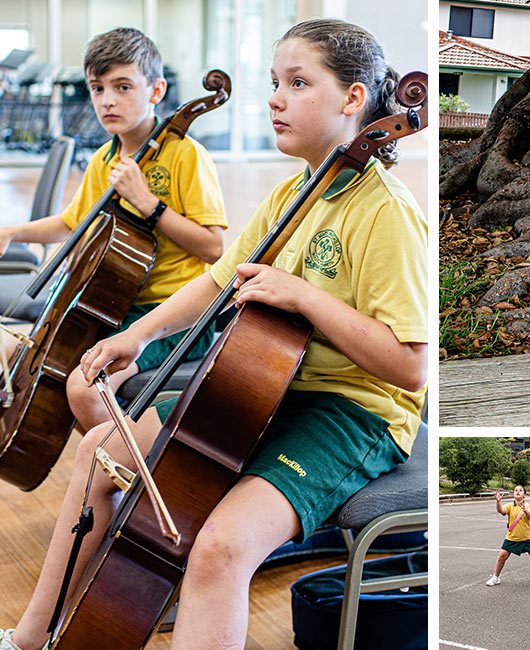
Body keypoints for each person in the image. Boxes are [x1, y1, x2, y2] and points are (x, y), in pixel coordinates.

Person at [0, 19, 430, 650]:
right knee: (101, 453)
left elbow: (411, 368)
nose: (275, 99)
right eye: (274, 83)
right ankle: (32, 637)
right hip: (266, 387)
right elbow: (218, 281)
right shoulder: (295, 192)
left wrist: (305, 298)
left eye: (298, 83)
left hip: (352, 413)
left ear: (354, 99)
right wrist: (136, 338)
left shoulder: (386, 211)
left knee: (219, 550)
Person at [0, 27, 226, 432]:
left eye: (123, 87)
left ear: (156, 91)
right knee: (14, 350)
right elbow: (72, 223)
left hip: (174, 316)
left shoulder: (185, 155)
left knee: (87, 387)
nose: (107, 100)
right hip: (112, 306)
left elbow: (213, 247)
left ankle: (129, 476)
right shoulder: (104, 158)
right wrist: (11, 231)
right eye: (97, 88)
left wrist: (149, 204)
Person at [489, 486, 530, 586]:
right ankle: (496, 577)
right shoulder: (510, 506)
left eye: (520, 490)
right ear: (513, 494)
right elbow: (501, 511)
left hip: (527, 537)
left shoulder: (527, 506)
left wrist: (525, 510)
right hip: (512, 537)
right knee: (502, 556)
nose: (518, 492)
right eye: (516, 490)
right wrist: (498, 502)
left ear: (524, 495)